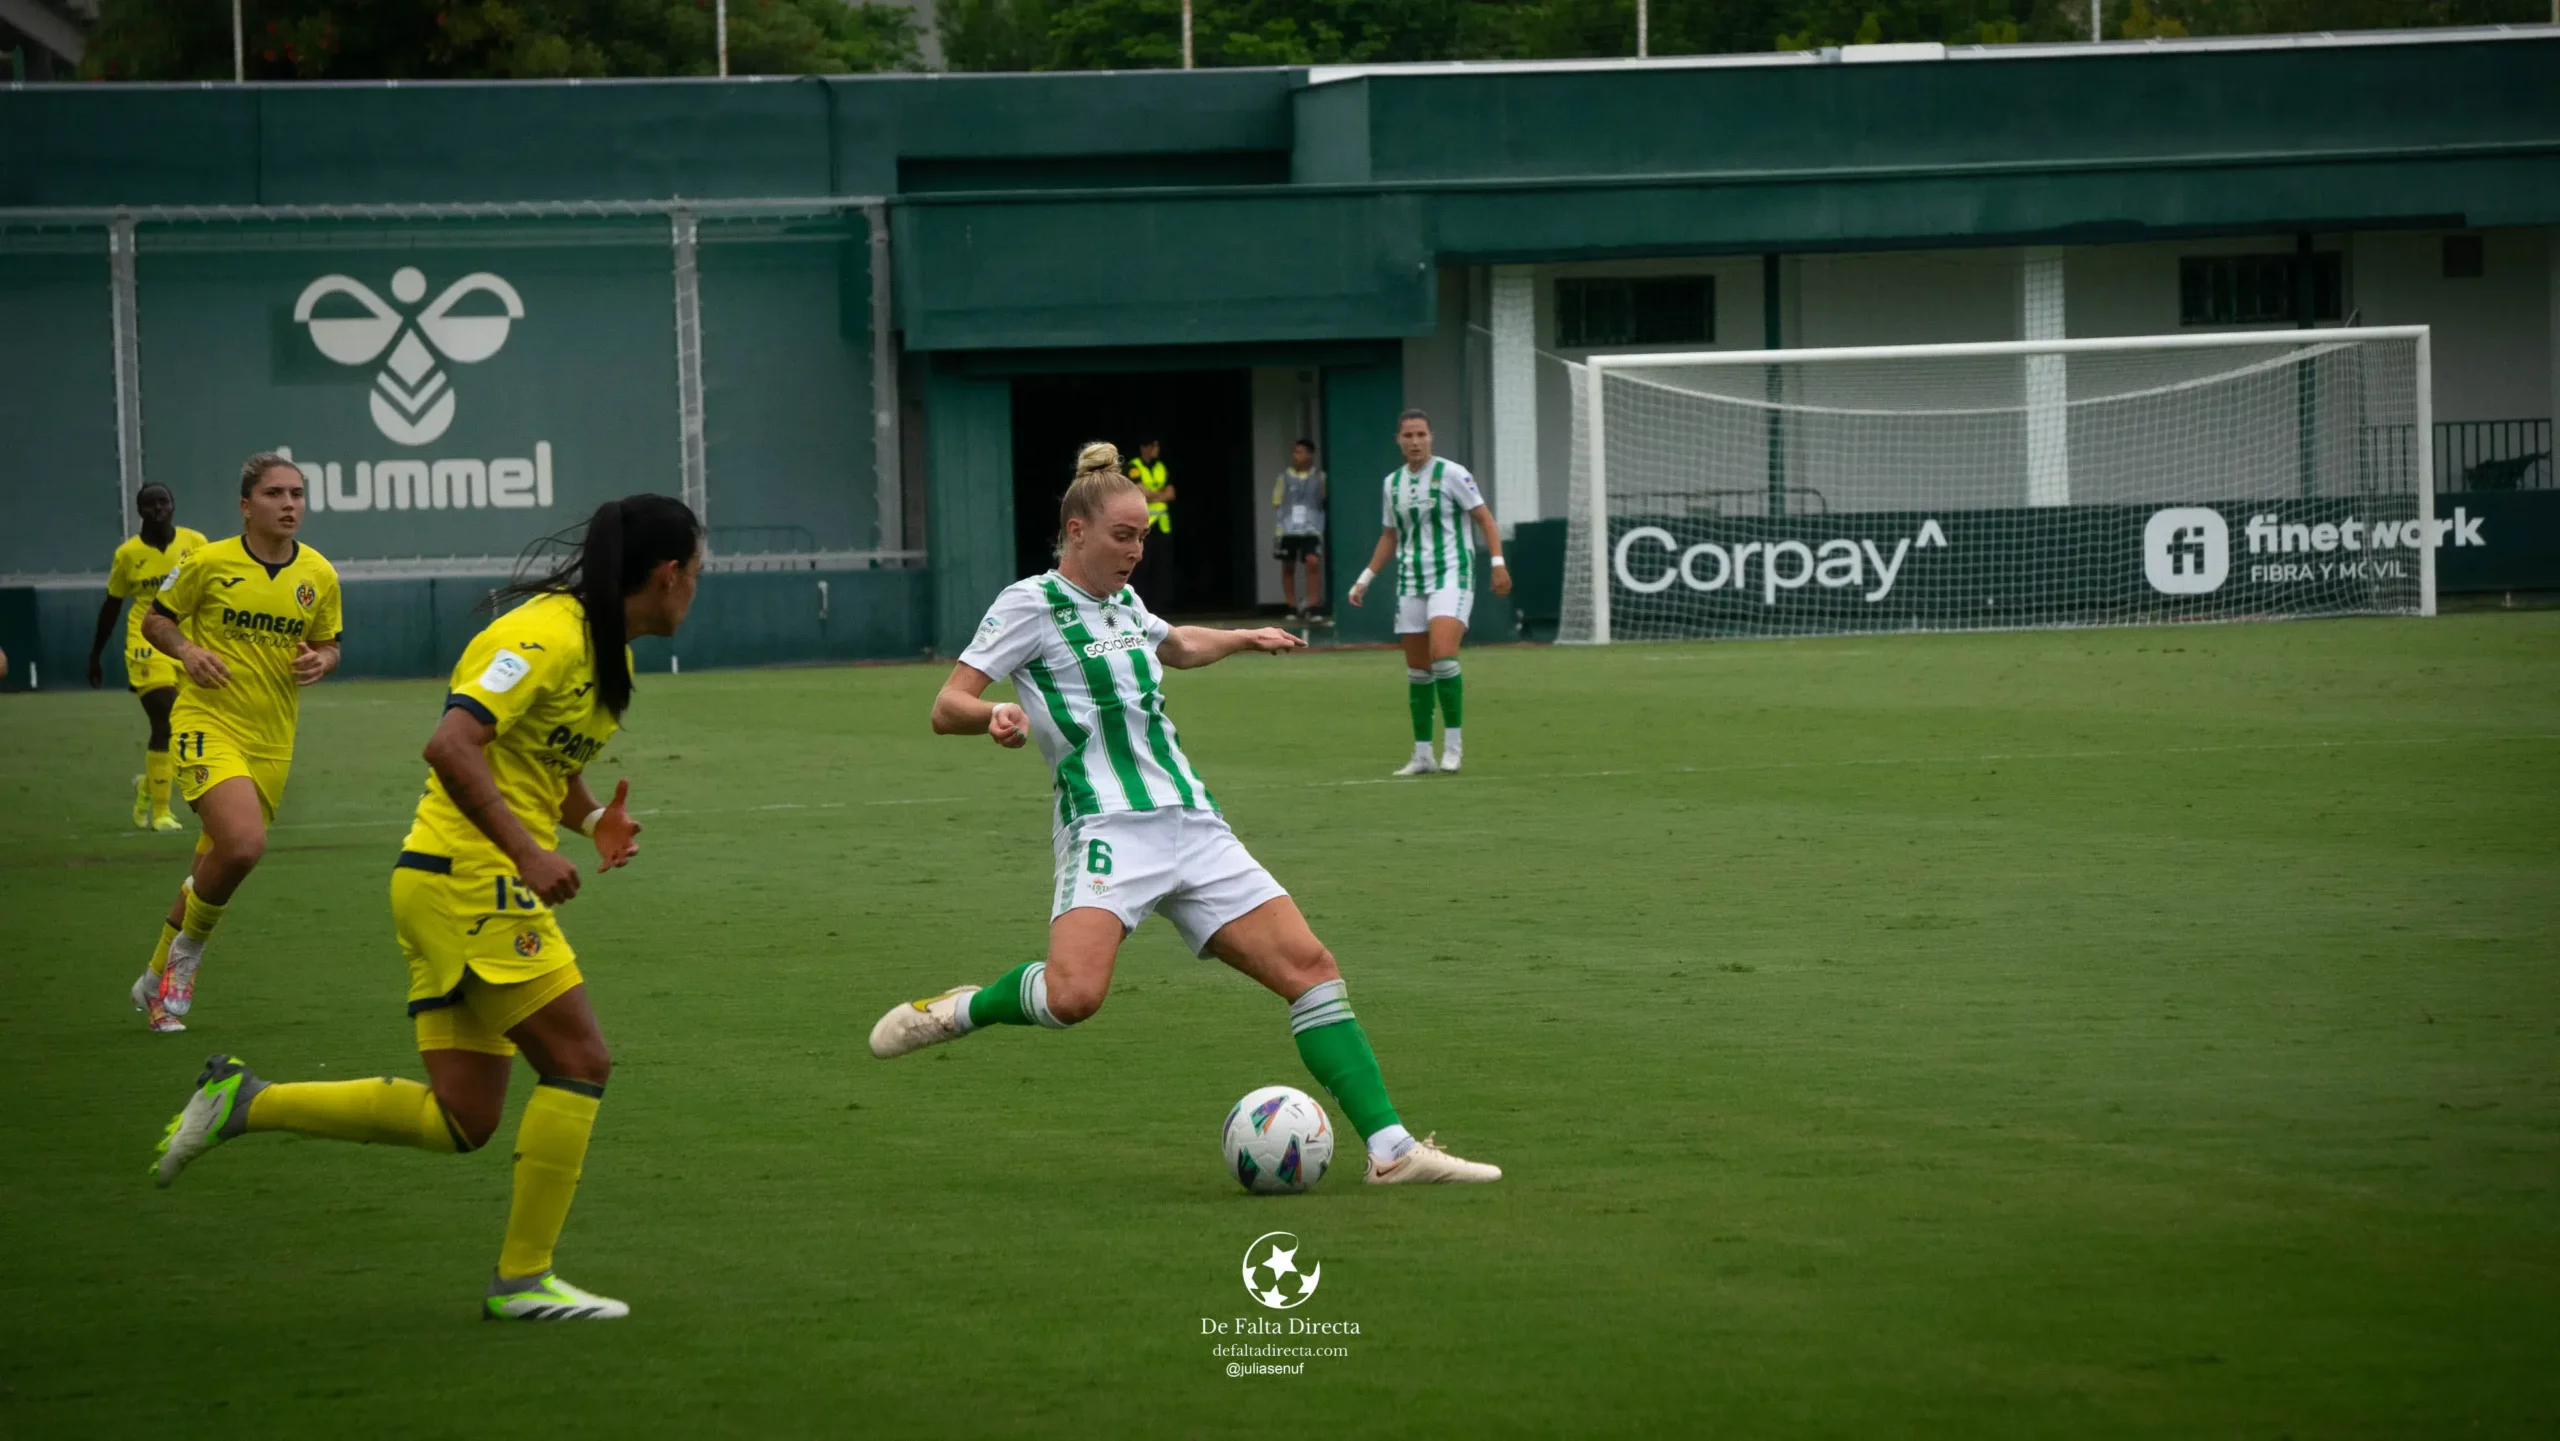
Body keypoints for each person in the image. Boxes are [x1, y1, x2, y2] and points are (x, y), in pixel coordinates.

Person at [867, 442, 1501, 1187]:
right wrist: (995, 715)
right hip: (1105, 826)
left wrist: (1244, 636)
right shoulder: (1028, 604)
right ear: (1076, 532)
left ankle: (1392, 1149)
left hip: (1193, 824)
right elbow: (949, 705)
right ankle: (963, 1009)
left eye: (1143, 537)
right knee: (1073, 997)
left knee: (1312, 969)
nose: (1136, 550)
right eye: (1123, 536)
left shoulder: (1125, 603)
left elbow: (1175, 645)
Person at [152, 495, 704, 1322]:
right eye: (696, 574)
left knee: (463, 1117)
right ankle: (523, 1280)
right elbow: (452, 743)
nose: (697, 588)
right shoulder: (547, 634)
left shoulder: (594, 645)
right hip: (467, 880)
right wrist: (527, 850)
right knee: (581, 1060)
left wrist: (589, 819)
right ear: (666, 575)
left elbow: (533, 755)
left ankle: (244, 1101)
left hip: (455, 882)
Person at [129, 455, 342, 1033]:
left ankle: (155, 981)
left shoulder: (318, 574)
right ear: (246, 505)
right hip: (206, 724)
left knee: (214, 868)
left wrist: (319, 660)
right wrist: (188, 651)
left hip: (272, 739)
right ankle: (187, 961)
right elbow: (156, 621)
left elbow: (328, 643)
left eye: (297, 493)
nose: (290, 504)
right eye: (275, 494)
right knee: (244, 845)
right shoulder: (207, 562)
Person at [1347, 410, 1510, 777]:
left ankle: (1453, 747)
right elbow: (1390, 535)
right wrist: (1365, 578)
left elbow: (1484, 517)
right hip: (1411, 579)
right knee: (1417, 669)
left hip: (1452, 573)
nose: (1415, 441)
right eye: (1408, 435)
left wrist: (1498, 562)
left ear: (1431, 437)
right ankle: (1422, 754)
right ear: (1398, 440)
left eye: (1421, 434)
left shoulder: (1452, 474)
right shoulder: (1392, 484)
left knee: (1442, 655)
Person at [89, 483, 210, 833]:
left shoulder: (195, 543)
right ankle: (160, 813)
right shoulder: (128, 554)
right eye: (150, 505)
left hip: (186, 641)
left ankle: (148, 784)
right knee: (166, 717)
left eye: (164, 503)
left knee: (187, 724)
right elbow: (112, 605)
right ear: (139, 511)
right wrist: (95, 655)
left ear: (173, 506)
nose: (159, 510)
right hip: (146, 640)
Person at [1272, 439, 1326, 624]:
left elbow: (1324, 501)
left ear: (1310, 455)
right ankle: (1291, 606)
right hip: (1288, 529)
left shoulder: (1320, 478)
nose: (1297, 456)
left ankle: (1312, 604)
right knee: (1288, 566)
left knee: (1312, 562)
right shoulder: (1284, 478)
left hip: (1311, 529)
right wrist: (1279, 528)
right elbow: (1277, 502)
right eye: (1295, 452)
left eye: (1301, 452)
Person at [1125, 436, 1175, 606]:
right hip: (1142, 527)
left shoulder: (1161, 467)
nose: (1157, 449)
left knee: (1162, 567)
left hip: (1162, 526)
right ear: (1144, 447)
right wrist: (1159, 494)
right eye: (1154, 445)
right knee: (1141, 567)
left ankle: (1161, 605)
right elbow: (1140, 490)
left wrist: (1153, 495)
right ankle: (1140, 604)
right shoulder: (1134, 466)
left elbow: (1171, 493)